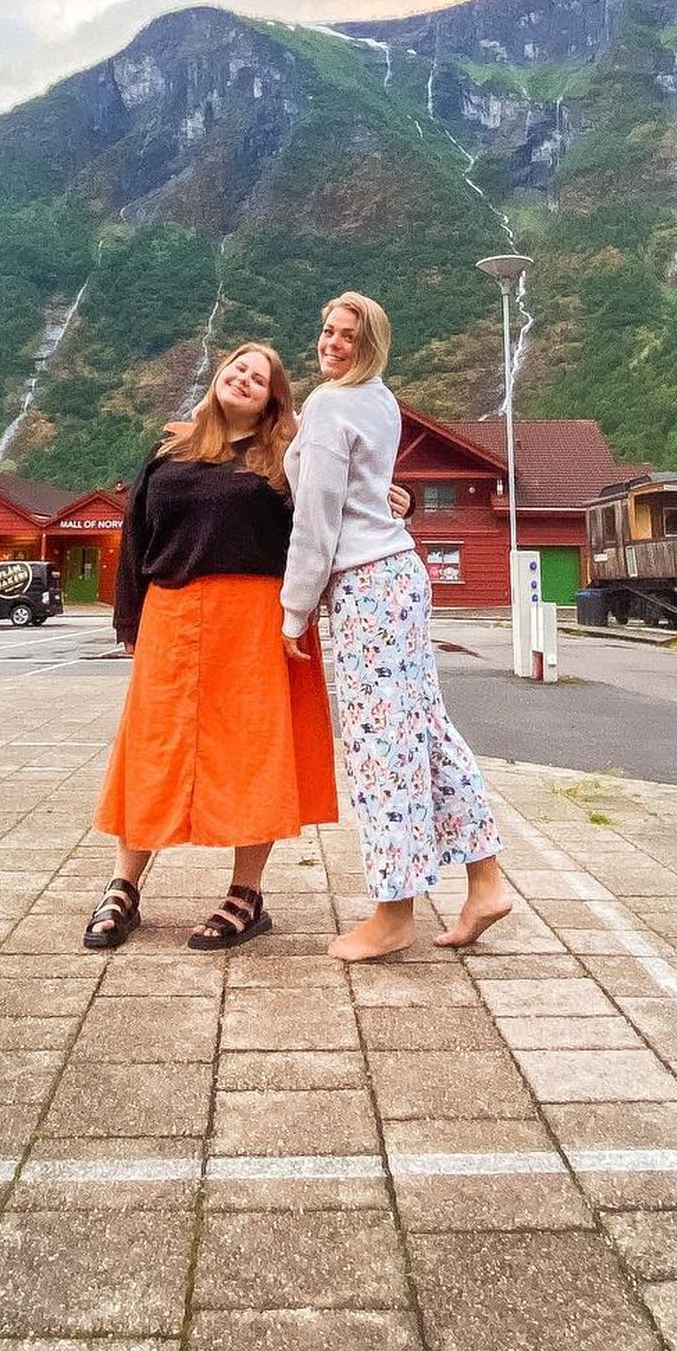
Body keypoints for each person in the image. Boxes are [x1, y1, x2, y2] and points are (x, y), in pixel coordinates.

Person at [281, 291, 515, 961]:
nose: (331, 342)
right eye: (326, 330)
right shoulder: (377, 400)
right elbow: (365, 489)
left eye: (346, 335)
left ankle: (392, 913)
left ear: (370, 344)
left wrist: (295, 608)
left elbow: (318, 519)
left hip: (364, 584)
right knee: (424, 727)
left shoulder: (330, 405)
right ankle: (486, 881)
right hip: (401, 578)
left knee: (379, 745)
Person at [86, 343, 339, 952]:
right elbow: (135, 532)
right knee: (153, 748)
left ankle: (245, 896)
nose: (246, 379)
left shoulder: (288, 457)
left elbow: (337, 504)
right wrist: (130, 621)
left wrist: (396, 498)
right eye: (239, 368)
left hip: (258, 618)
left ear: (274, 398)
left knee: (254, 752)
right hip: (170, 612)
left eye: (261, 377)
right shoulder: (169, 449)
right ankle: (124, 885)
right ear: (219, 375)